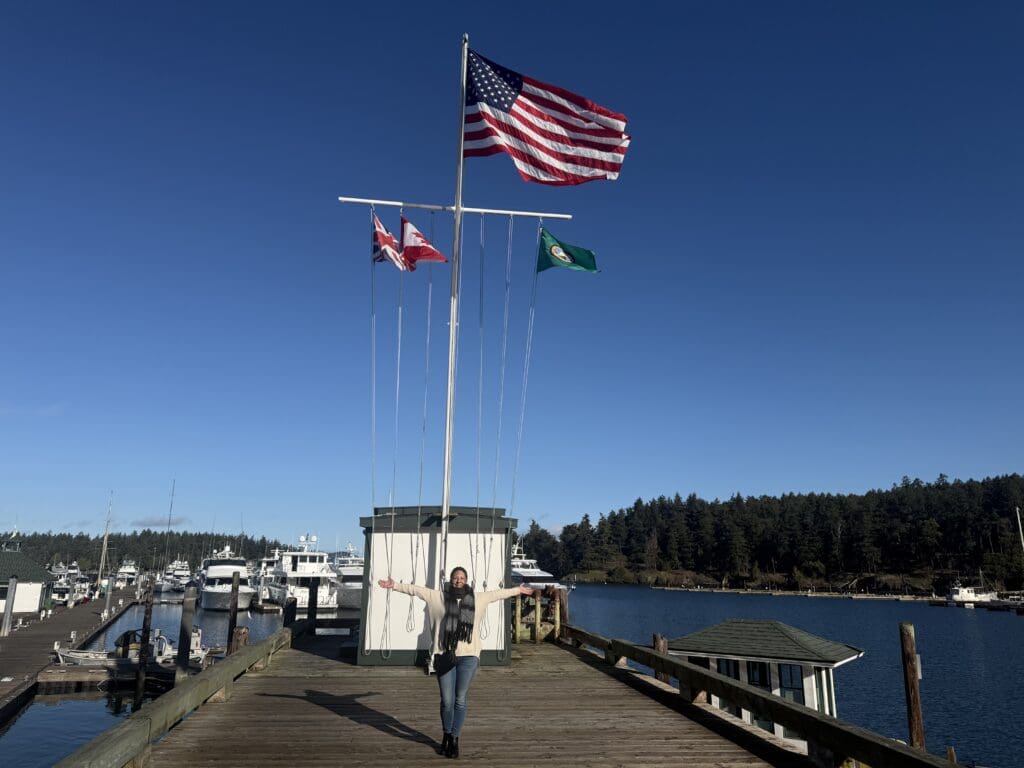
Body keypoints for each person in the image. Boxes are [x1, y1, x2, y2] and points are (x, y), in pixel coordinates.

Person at [377, 567, 533, 758]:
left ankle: (455, 738)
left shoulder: (478, 598)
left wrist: (518, 590)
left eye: (462, 577)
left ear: (467, 580)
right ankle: (446, 734)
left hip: (469, 656)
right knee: (447, 700)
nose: (458, 580)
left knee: (460, 698)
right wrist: (394, 585)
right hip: (444, 654)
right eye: (455, 577)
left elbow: (498, 594)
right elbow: (415, 589)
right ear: (450, 580)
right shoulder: (437, 597)